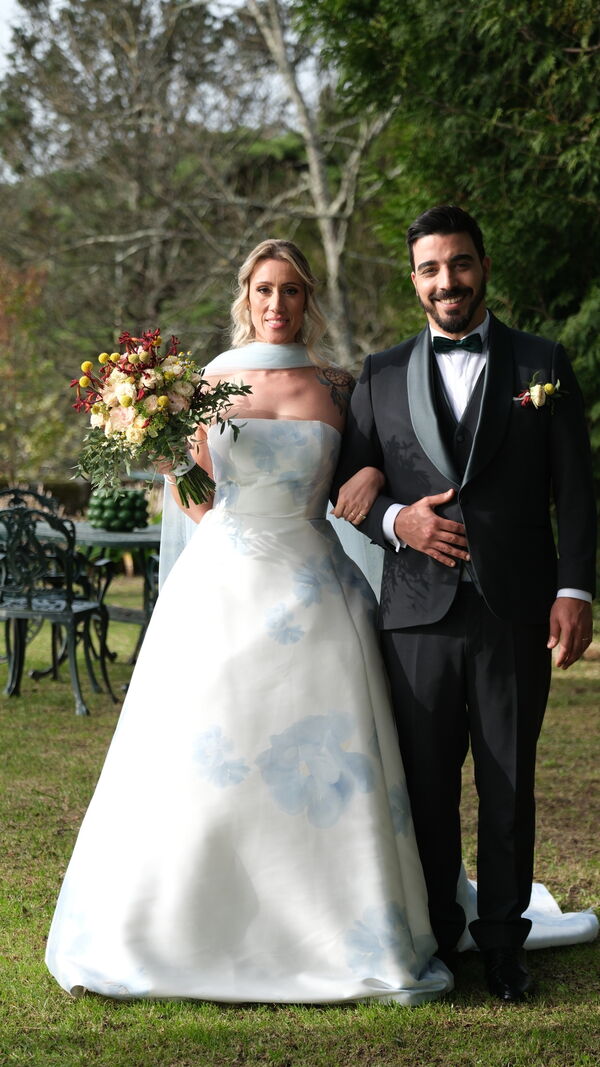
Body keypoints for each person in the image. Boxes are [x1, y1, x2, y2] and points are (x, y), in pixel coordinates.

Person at [45, 239, 453, 1005]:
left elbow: (370, 467)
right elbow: (201, 504)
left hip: (316, 584)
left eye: (291, 289)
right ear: (246, 295)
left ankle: (337, 925)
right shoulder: (203, 384)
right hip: (223, 583)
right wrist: (167, 458)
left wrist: (370, 468)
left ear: (307, 299)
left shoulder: (339, 384)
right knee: (204, 752)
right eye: (265, 288)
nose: (277, 303)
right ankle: (179, 926)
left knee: (325, 756)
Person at [332, 205, 597, 1002]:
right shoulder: (380, 374)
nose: (446, 281)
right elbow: (347, 487)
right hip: (416, 614)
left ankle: (505, 944)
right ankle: (439, 937)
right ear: (413, 279)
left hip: (517, 610)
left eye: (459, 263)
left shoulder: (542, 363)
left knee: (509, 783)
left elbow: (576, 492)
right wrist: (397, 521)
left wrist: (575, 589)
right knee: (426, 786)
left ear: (483, 264)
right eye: (430, 268)